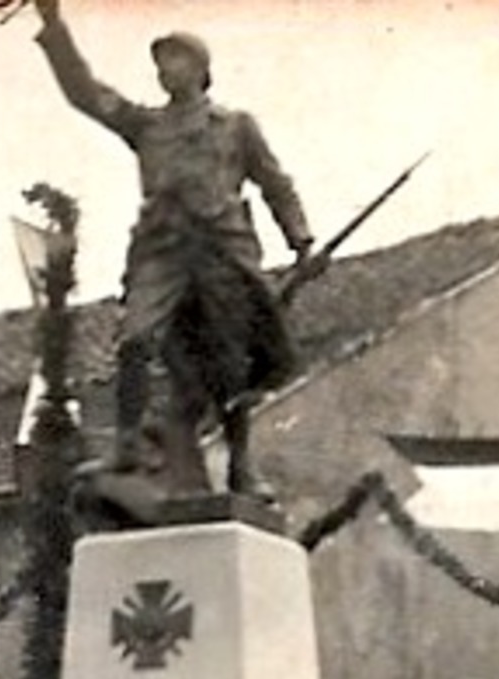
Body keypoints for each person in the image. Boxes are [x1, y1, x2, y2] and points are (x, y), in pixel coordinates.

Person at [31, 0, 314, 497]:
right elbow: (86, 93)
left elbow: (275, 183)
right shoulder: (146, 125)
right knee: (134, 339)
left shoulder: (235, 126)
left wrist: (300, 239)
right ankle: (126, 444)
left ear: (201, 70)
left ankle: (242, 465)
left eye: (175, 59)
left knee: (231, 360)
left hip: (222, 249)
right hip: (162, 249)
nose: (164, 69)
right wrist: (53, 26)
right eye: (159, 61)